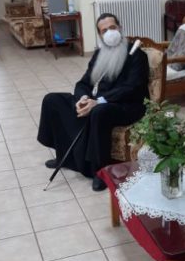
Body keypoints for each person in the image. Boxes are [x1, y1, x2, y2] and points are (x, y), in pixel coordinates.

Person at [37, 13, 149, 191]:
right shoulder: (99, 54)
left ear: (119, 28)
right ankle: (64, 157)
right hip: (99, 101)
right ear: (100, 35)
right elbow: (84, 83)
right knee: (52, 100)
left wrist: (99, 102)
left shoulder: (137, 55)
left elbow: (132, 88)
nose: (110, 33)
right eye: (104, 31)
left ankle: (100, 171)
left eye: (112, 28)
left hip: (127, 105)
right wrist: (83, 98)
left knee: (99, 112)